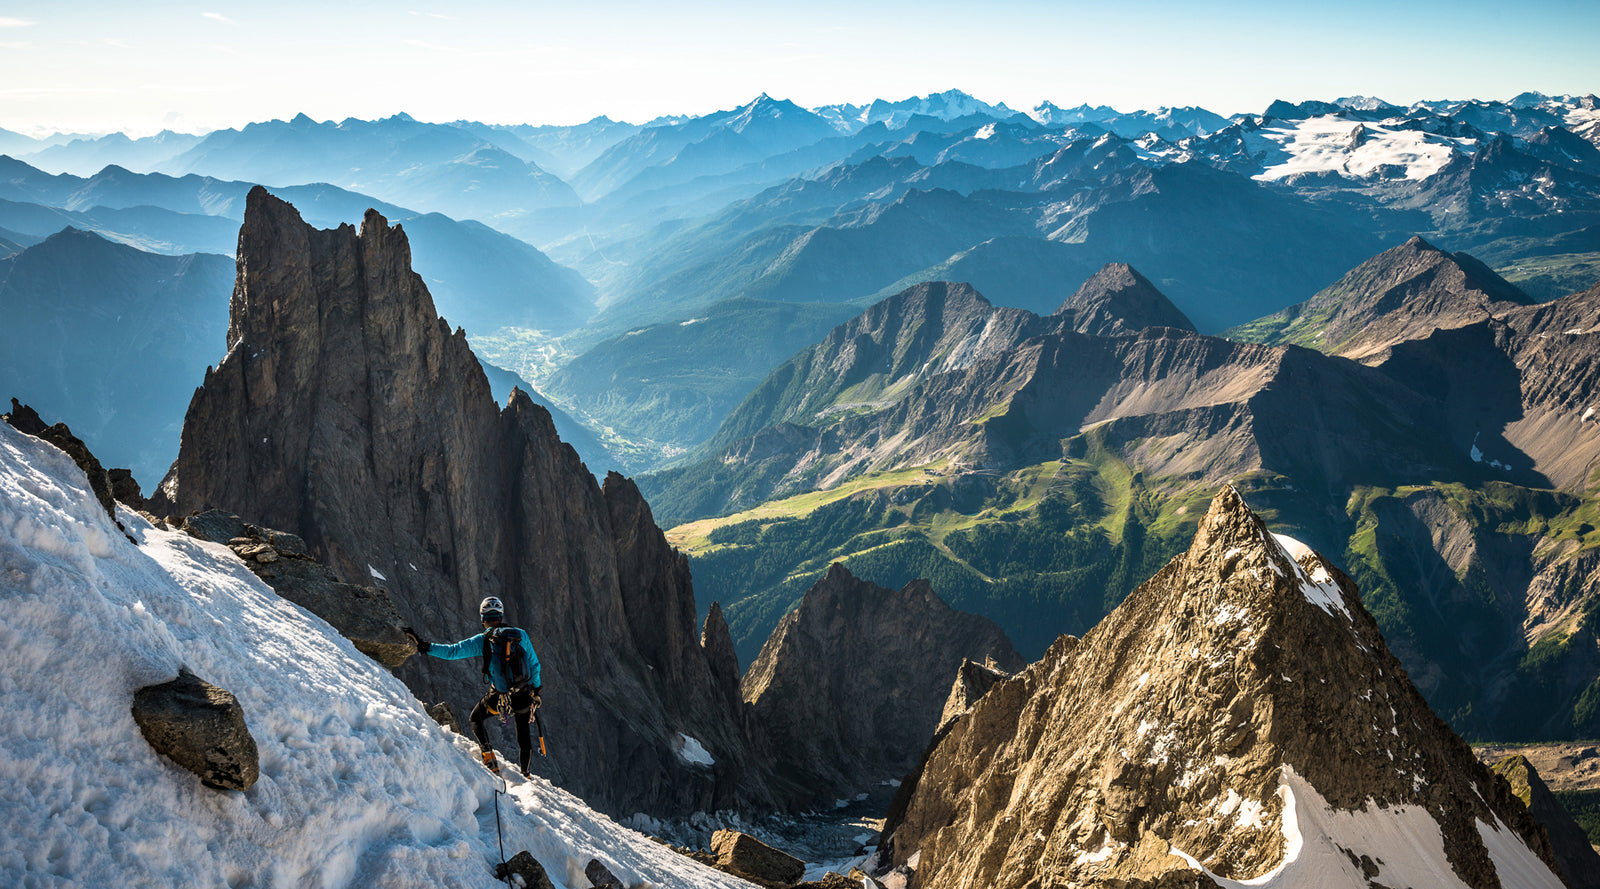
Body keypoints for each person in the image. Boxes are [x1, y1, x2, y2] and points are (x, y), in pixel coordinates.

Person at [405, 596, 542, 777]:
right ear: (501, 616)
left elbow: (452, 652)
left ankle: (489, 758)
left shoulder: (483, 640)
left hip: (500, 698)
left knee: (476, 719)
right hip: (524, 694)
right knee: (523, 735)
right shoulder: (521, 635)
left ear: (483, 619)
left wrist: (424, 646)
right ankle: (526, 773)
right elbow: (534, 665)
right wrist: (536, 691)